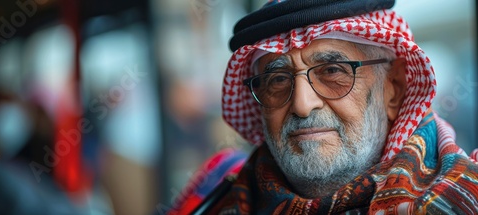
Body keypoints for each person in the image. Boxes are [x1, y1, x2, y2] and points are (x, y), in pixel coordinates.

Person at [169, 0, 478, 214]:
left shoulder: (465, 197)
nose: (302, 105)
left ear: (394, 87)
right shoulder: (217, 196)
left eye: (332, 71)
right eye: (277, 79)